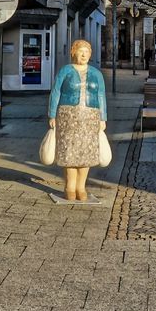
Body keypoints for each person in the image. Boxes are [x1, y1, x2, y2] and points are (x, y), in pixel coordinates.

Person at [47, 39, 107, 202]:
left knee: (86, 152)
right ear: (73, 53)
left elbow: (101, 95)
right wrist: (52, 114)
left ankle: (81, 186)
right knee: (70, 151)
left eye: (87, 52)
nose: (84, 55)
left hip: (90, 116)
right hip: (68, 116)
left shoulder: (96, 74)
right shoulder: (65, 71)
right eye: (81, 51)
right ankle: (70, 186)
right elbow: (56, 92)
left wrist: (103, 118)